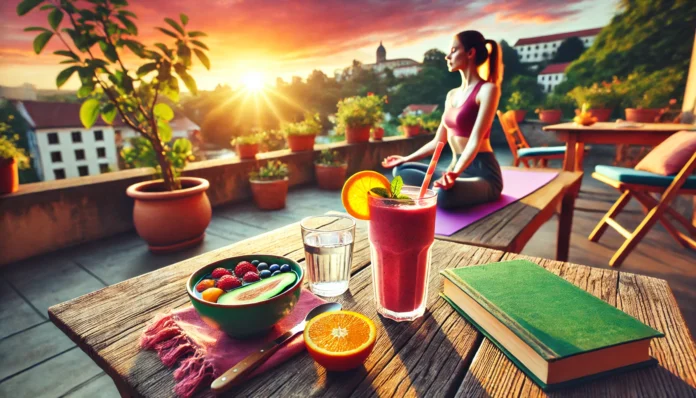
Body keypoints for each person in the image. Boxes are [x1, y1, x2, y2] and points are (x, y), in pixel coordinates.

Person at [382, 30, 504, 209]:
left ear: (470, 53)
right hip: (454, 169)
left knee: (443, 195)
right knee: (400, 170)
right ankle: (442, 189)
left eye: (454, 50)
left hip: (482, 173)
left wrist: (454, 173)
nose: (447, 56)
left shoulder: (488, 89)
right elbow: (438, 141)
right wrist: (406, 158)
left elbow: (475, 140)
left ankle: (443, 191)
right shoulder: (451, 95)